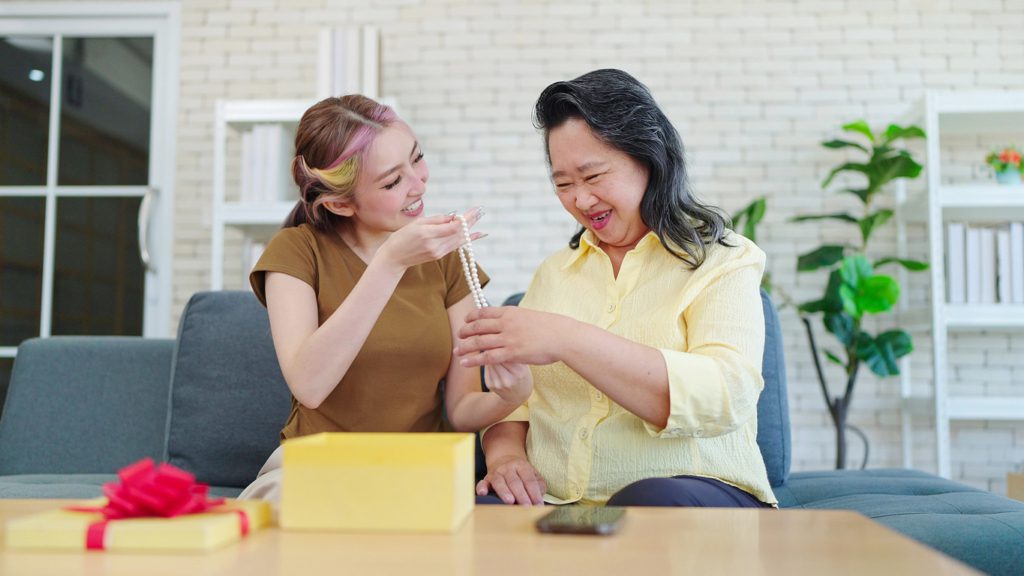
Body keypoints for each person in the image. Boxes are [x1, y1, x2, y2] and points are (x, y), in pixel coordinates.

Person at [456, 69, 777, 508]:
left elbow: (725, 395)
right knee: (473, 512)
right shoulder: (554, 274)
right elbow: (517, 400)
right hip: (556, 502)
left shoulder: (724, 260)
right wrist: (507, 457)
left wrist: (566, 338)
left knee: (650, 501)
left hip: (696, 490)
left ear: (648, 159)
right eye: (563, 183)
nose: (580, 201)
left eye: (593, 177)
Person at [239, 95, 531, 505]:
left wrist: (512, 396)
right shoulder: (297, 251)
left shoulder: (448, 257)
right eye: (393, 181)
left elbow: (462, 407)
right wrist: (390, 262)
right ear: (341, 204)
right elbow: (310, 384)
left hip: (416, 472)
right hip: (315, 471)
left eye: (418, 158)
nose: (418, 183)